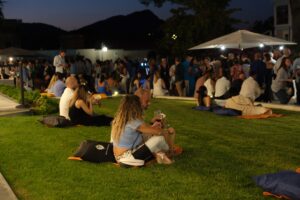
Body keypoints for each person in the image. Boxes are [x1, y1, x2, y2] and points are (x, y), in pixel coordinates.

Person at [111, 94, 175, 166]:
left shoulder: (119, 120)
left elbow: (143, 130)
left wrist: (152, 125)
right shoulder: (134, 121)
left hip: (117, 156)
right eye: (139, 103)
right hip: (128, 158)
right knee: (159, 138)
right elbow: (158, 132)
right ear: (135, 106)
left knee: (147, 136)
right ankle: (169, 152)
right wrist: (168, 131)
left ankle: (160, 154)